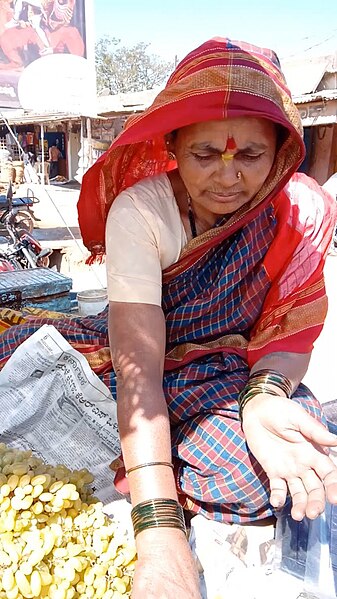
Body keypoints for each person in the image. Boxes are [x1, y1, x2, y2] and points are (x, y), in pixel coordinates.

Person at [0, 37, 336, 599]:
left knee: (297, 458)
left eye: (251, 156)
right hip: (149, 361)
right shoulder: (141, 212)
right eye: (205, 154)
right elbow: (139, 372)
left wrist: (263, 402)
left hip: (238, 370)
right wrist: (159, 535)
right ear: (173, 146)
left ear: (281, 152)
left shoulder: (299, 211)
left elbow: (290, 333)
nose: (227, 178)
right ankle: (159, 458)